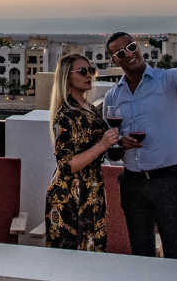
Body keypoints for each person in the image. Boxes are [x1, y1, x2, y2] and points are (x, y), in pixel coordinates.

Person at [103, 7, 177, 259]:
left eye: (131, 47)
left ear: (139, 48)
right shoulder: (113, 97)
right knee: (141, 254)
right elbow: (111, 147)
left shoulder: (168, 81)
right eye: (120, 53)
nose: (129, 53)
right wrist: (121, 144)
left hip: (168, 181)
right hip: (132, 183)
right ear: (115, 61)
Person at [46, 53, 120, 251]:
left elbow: (100, 144)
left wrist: (119, 143)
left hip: (92, 191)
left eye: (91, 71)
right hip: (70, 197)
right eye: (83, 71)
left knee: (93, 253)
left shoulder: (89, 109)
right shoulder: (65, 115)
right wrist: (102, 145)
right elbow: (66, 165)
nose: (89, 75)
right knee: (70, 259)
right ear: (67, 77)